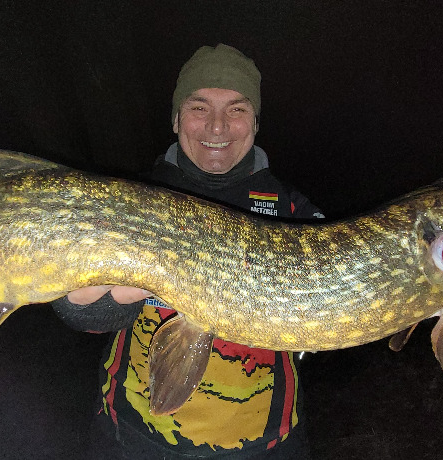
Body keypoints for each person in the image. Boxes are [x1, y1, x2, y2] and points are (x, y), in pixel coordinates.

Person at [52, 43, 324, 459]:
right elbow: (73, 301)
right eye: (199, 108)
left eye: (236, 109)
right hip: (131, 440)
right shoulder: (130, 200)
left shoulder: (296, 215)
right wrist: (84, 310)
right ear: (177, 119)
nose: (217, 126)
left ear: (255, 122)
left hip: (267, 447)